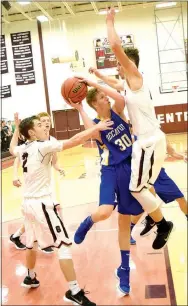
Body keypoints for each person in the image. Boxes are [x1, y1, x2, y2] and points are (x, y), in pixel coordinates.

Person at [9, 112, 112, 305]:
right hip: (41, 204)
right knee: (63, 244)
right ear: (32, 132)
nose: (44, 127)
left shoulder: (23, 148)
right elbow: (74, 140)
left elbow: (11, 147)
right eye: (40, 125)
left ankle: (30, 276)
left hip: (27, 204)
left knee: (31, 243)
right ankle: (73, 291)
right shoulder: (42, 146)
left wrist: (16, 129)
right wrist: (95, 128)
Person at [10, 112, 64, 253]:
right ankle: (44, 243)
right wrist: (15, 175)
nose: (46, 123)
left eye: (48, 121)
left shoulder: (51, 140)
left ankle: (27, 239)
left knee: (37, 216)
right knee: (40, 215)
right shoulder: (33, 143)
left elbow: (55, 161)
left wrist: (59, 169)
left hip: (46, 183)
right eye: (42, 122)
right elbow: (17, 157)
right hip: (36, 188)